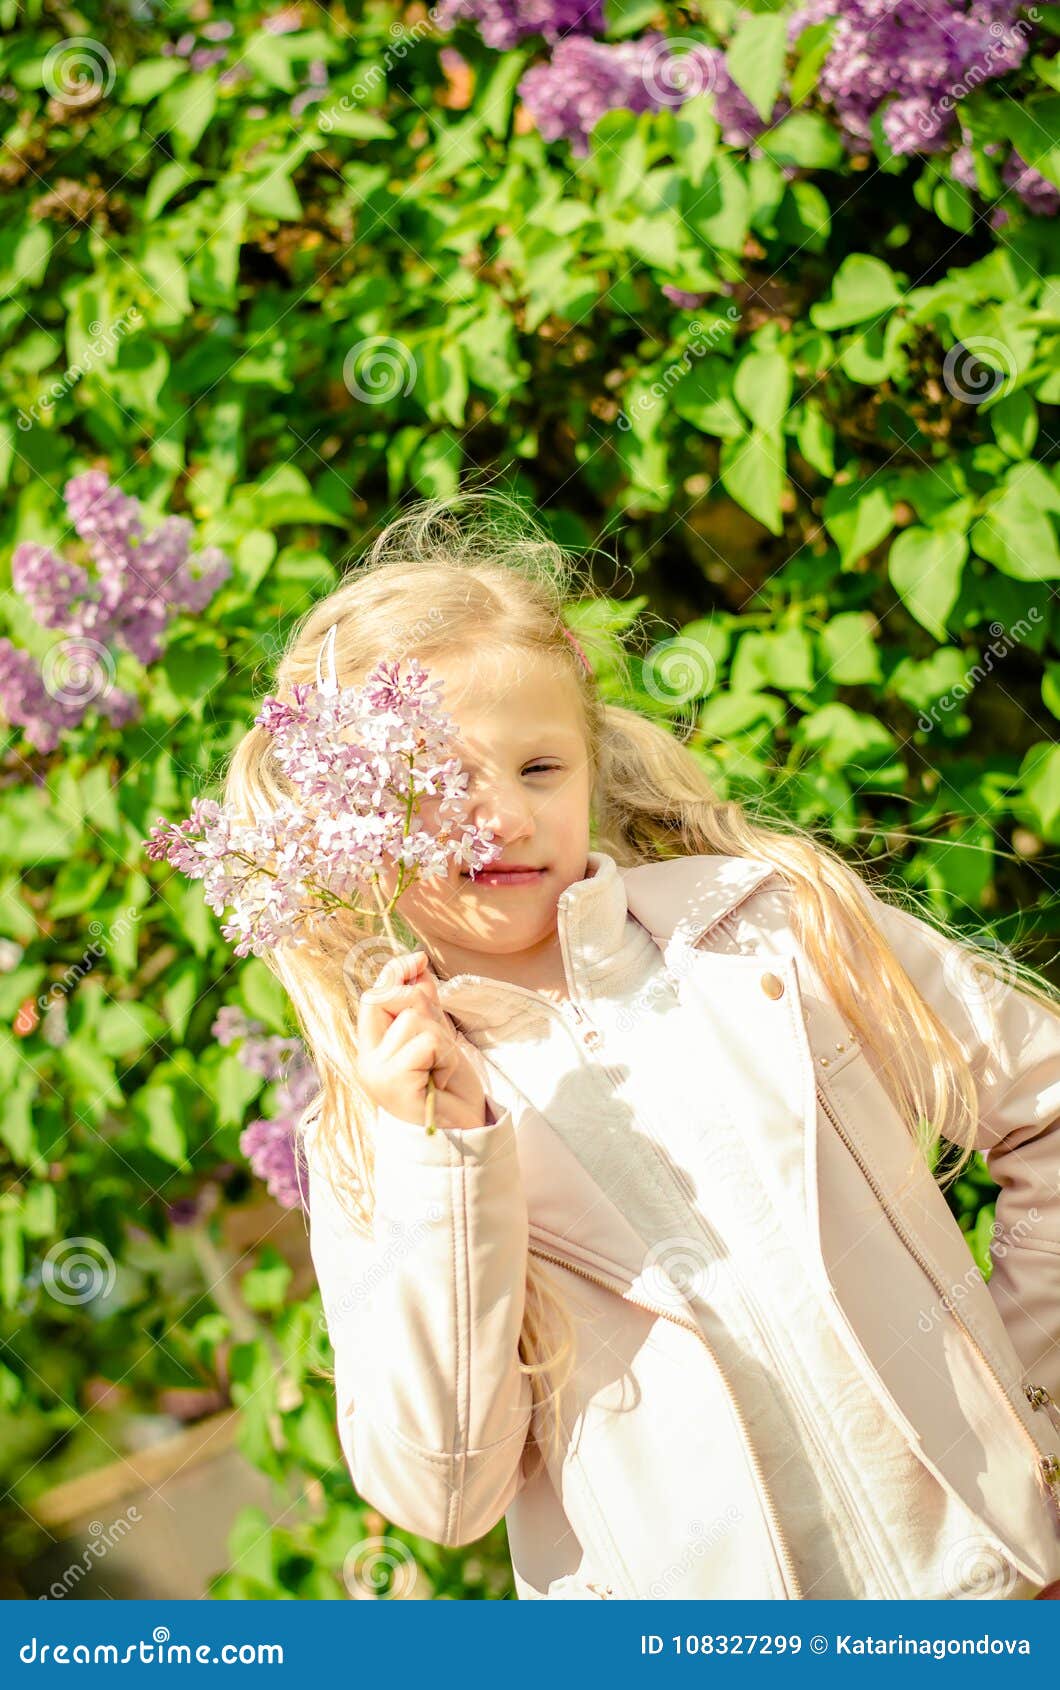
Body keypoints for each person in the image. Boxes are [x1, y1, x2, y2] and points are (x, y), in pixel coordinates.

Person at [222, 493, 1060, 1601]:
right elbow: (442, 1493)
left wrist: (1018, 1397)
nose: (504, 818)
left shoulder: (768, 924)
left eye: (537, 769)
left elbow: (1041, 1101)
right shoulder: (376, 1139)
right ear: (351, 815)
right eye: (440, 784)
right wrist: (447, 1160)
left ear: (590, 762)